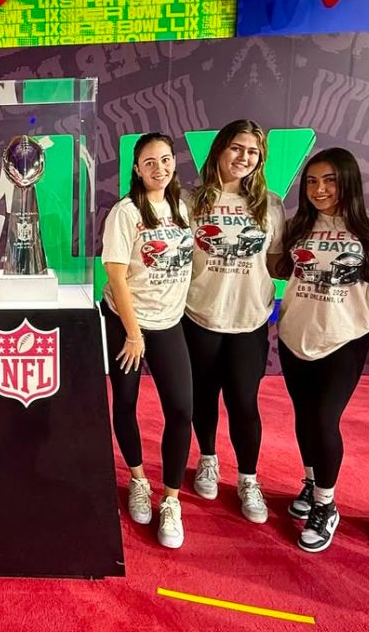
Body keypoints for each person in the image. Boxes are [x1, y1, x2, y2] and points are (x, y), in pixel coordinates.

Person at [275, 148, 369, 553]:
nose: (320, 189)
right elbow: (278, 270)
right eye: (311, 181)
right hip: (294, 334)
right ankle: (311, 481)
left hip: (344, 337)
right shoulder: (297, 225)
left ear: (348, 182)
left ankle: (326, 505)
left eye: (329, 180)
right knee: (305, 418)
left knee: (325, 420)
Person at [183, 119, 286, 523]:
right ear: (219, 150)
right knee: (203, 398)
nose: (244, 158)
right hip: (199, 314)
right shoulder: (191, 202)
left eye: (253, 152)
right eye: (236, 148)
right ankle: (207, 459)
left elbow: (276, 262)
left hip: (249, 320)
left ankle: (248, 478)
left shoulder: (270, 204)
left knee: (244, 403)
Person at [101, 134, 195, 548]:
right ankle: (138, 480)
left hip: (169, 322)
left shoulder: (183, 207)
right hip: (128, 323)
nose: (159, 168)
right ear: (136, 169)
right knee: (125, 402)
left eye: (166, 159)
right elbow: (116, 276)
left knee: (181, 409)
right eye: (149, 162)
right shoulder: (125, 212)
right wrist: (134, 333)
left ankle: (171, 500)